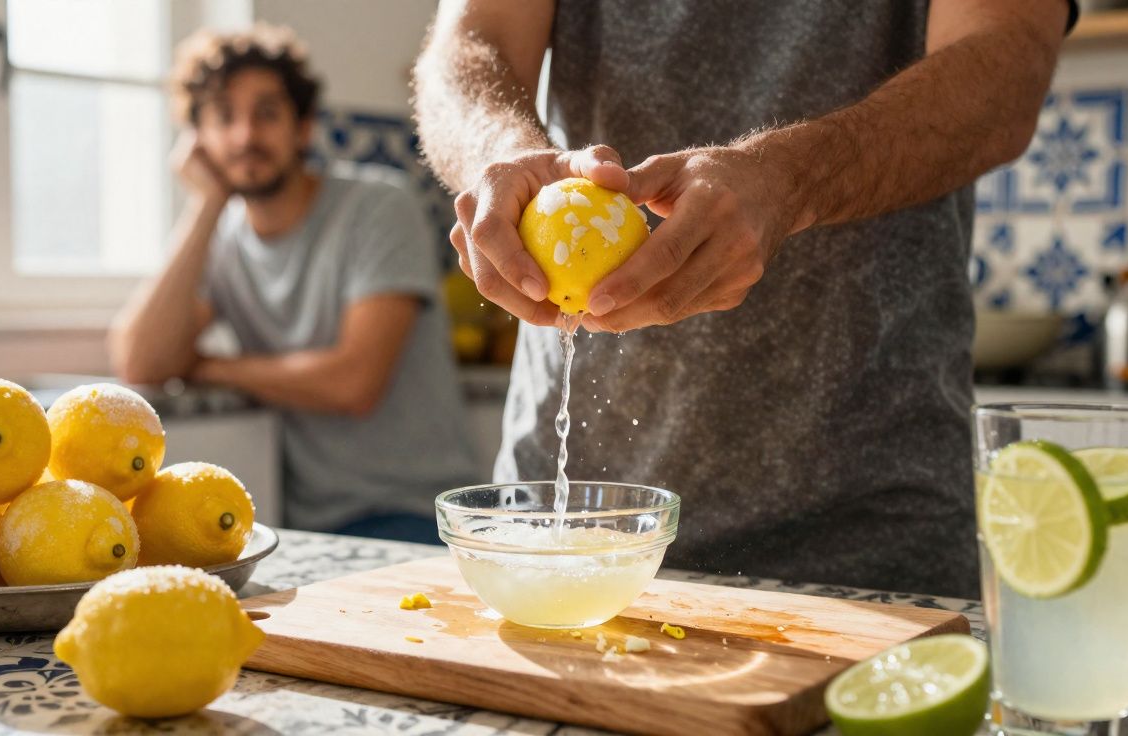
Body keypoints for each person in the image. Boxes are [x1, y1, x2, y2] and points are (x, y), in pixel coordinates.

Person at [412, 0, 1077, 597]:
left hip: (871, 529)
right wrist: (500, 153)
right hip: (566, 532)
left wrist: (791, 179)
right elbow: (471, 40)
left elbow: (1007, 58)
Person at [110, 24, 477, 544]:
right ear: (198, 140)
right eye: (223, 117)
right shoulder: (221, 237)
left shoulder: (380, 205)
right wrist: (205, 205)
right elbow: (141, 362)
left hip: (419, 515)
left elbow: (354, 384)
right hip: (304, 525)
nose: (245, 136)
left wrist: (207, 367)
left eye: (266, 113)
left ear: (303, 127)